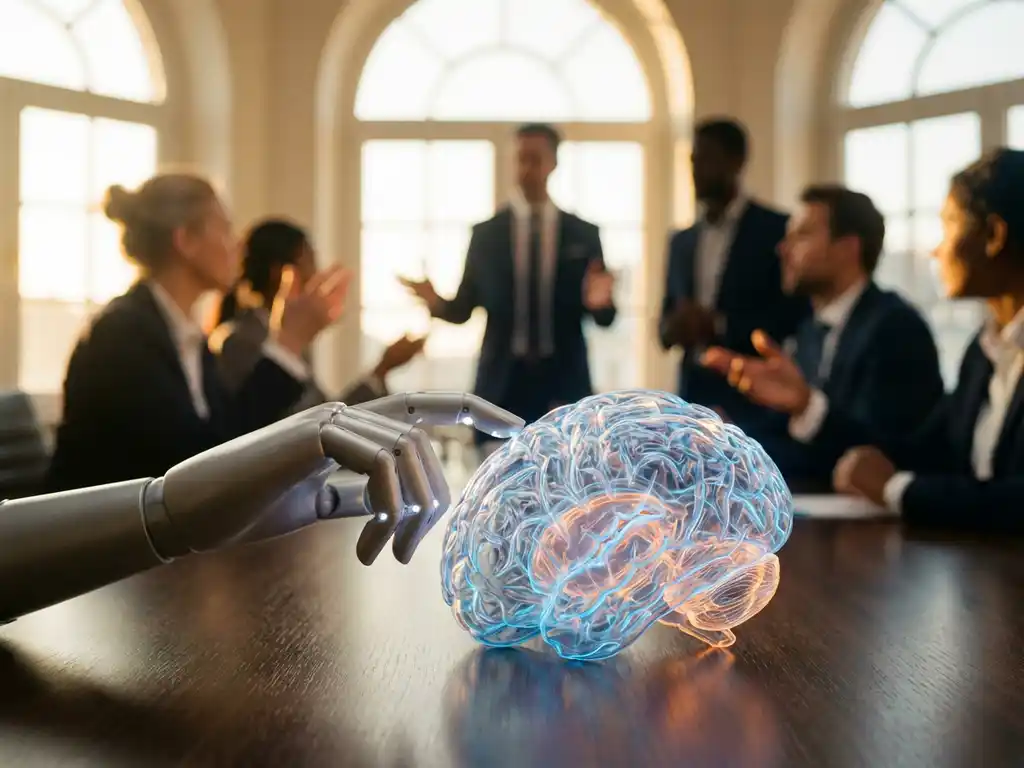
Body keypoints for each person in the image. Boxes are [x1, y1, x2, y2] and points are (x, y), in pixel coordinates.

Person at [702, 148, 1024, 533]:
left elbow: (904, 463)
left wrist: (896, 488)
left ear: (993, 236)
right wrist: (736, 436)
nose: (935, 249)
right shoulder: (983, 350)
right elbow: (922, 453)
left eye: (948, 225)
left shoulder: (896, 327)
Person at [46, 174, 347, 492]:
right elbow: (195, 464)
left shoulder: (185, 336)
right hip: (101, 522)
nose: (237, 245)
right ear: (186, 240)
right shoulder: (122, 335)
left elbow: (226, 434)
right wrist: (288, 343)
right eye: (225, 229)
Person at [400, 123, 616, 438]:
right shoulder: (487, 235)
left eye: (535, 159)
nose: (526, 169)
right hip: (500, 385)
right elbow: (463, 308)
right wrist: (435, 302)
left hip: (563, 385)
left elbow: (605, 316)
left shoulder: (583, 234)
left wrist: (600, 304)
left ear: (553, 163)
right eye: (520, 159)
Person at [757, 184, 944, 489]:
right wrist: (726, 434)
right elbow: (796, 443)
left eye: (802, 235)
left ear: (847, 248)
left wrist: (807, 407)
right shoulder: (809, 332)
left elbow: (881, 453)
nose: (783, 249)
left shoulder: (897, 329)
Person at [659, 118, 809, 439]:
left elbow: (793, 316)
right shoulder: (681, 241)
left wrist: (719, 325)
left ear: (737, 161)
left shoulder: (776, 230)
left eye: (707, 159)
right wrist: (673, 328)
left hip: (755, 401)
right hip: (690, 399)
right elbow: (664, 322)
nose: (696, 171)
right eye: (693, 161)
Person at [211, 219, 426, 410]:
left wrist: (382, 370)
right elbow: (308, 428)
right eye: (310, 263)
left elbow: (322, 415)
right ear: (283, 274)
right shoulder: (241, 341)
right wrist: (381, 370)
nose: (316, 275)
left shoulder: (283, 338)